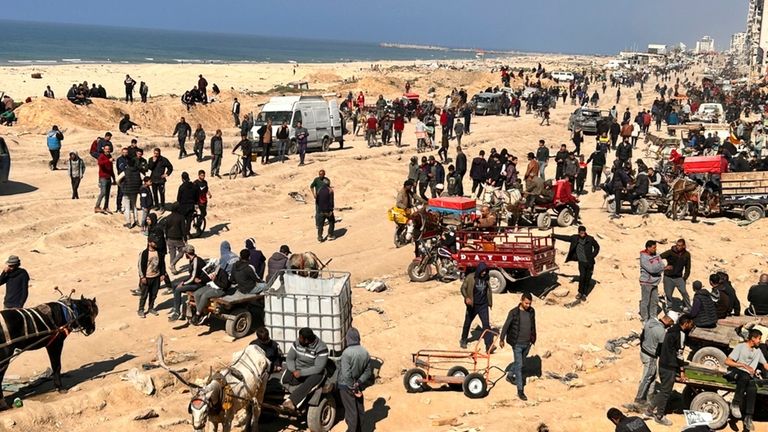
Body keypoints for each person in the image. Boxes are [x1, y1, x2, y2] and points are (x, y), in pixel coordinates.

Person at [649, 314, 694, 426]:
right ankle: (659, 416)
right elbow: (679, 354)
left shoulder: (670, 330)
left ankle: (649, 410)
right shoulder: (680, 334)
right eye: (691, 323)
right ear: (686, 323)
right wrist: (682, 371)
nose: (692, 325)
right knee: (665, 392)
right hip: (670, 366)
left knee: (664, 390)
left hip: (663, 363)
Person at [625, 315, 673, 412]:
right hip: (651, 356)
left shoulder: (650, 322)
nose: (671, 326)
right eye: (671, 324)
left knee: (653, 376)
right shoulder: (661, 331)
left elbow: (642, 336)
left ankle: (649, 398)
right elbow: (661, 348)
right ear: (669, 321)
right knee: (647, 377)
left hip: (644, 352)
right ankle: (638, 400)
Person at [724, 329, 766, 430]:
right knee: (745, 376)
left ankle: (748, 417)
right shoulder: (740, 347)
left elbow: (765, 364)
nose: (760, 341)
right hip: (737, 372)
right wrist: (742, 365)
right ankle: (735, 403)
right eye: (759, 339)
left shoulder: (758, 351)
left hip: (748, 377)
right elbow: (727, 361)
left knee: (753, 387)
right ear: (753, 338)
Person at [280, 328, 329, 411]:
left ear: (306, 340)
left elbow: (318, 368)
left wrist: (301, 373)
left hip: (313, 372)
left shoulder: (321, 347)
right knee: (285, 379)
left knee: (312, 381)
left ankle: (292, 401)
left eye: (301, 338)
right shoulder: (297, 343)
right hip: (297, 370)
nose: (298, 339)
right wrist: (293, 370)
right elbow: (290, 358)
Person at [499, 292, 536, 401]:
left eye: (529, 303)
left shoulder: (532, 311)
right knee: (519, 366)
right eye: (526, 303)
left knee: (520, 362)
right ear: (521, 300)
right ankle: (520, 390)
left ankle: (510, 375)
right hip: (517, 343)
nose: (528, 305)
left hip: (527, 343)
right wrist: (501, 338)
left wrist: (533, 338)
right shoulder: (514, 312)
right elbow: (506, 325)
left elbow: (533, 325)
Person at [552, 226, 600, 302]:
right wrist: (554, 235)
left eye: (583, 233)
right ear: (578, 232)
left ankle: (585, 294)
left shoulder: (590, 239)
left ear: (585, 232)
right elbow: (565, 238)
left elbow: (597, 247)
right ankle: (580, 293)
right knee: (582, 277)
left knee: (587, 278)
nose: (582, 234)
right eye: (581, 233)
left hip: (590, 262)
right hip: (581, 262)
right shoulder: (575, 238)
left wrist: (592, 256)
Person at [338, 328, 372, 432]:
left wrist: (352, 387)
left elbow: (346, 374)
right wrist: (358, 383)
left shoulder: (346, 353)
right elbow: (368, 372)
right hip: (357, 384)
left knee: (351, 412)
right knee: (359, 409)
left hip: (346, 386)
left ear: (348, 339)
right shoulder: (365, 352)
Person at [169, 245, 210, 322]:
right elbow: (191, 276)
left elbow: (193, 277)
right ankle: (176, 307)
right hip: (193, 282)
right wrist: (183, 282)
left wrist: (183, 283)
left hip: (199, 284)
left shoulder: (196, 261)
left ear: (187, 254)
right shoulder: (192, 260)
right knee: (174, 285)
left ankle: (177, 313)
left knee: (178, 289)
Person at [459, 263, 493, 351]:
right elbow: (463, 288)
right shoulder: (470, 277)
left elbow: (488, 290)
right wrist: (466, 297)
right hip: (472, 305)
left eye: (485, 271)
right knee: (467, 323)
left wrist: (489, 302)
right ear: (478, 270)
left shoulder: (486, 278)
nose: (484, 273)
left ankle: (489, 345)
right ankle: (463, 340)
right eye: (482, 271)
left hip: (483, 305)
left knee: (486, 324)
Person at [659, 239, 692, 310]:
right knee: (668, 295)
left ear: (684, 246)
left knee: (684, 292)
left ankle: (689, 308)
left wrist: (684, 278)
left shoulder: (687, 255)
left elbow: (688, 268)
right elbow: (658, 258)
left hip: (679, 278)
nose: (678, 247)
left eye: (680, 245)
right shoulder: (670, 252)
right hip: (668, 277)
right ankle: (669, 310)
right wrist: (663, 267)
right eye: (677, 245)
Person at [137, 237, 165, 318]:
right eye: (154, 242)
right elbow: (140, 266)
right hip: (147, 277)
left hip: (156, 277)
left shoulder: (159, 253)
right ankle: (141, 309)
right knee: (144, 295)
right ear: (149, 243)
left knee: (153, 294)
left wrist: (162, 274)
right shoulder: (144, 253)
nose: (156, 244)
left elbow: (162, 264)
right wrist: (142, 277)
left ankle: (151, 308)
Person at [639, 240, 665, 322]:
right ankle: (645, 318)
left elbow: (662, 264)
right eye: (653, 248)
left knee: (655, 300)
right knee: (645, 301)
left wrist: (660, 268)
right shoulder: (644, 257)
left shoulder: (656, 255)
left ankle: (653, 316)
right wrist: (660, 268)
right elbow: (651, 269)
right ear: (648, 248)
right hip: (647, 282)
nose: (655, 249)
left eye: (655, 247)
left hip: (655, 282)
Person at [163, 204, 187, 274]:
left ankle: (173, 269)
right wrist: (185, 238)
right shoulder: (181, 217)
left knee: (172, 254)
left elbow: (165, 229)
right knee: (182, 252)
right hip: (178, 238)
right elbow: (183, 229)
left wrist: (166, 238)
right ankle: (172, 264)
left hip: (169, 238)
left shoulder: (168, 217)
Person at [121, 157, 142, 229]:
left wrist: (121, 185)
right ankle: (136, 220)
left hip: (126, 190)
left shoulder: (125, 171)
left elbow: (118, 179)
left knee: (127, 207)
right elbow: (142, 178)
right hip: (135, 190)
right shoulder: (137, 171)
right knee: (134, 206)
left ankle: (128, 222)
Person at [94, 144, 116, 214]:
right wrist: (108, 161)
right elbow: (100, 163)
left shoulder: (110, 156)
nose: (108, 150)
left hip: (109, 177)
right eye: (106, 149)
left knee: (107, 193)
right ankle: (97, 206)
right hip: (103, 177)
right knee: (103, 192)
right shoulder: (101, 156)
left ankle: (106, 207)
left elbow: (111, 168)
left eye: (108, 149)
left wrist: (114, 178)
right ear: (104, 149)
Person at [177, 172, 199, 237]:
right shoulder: (193, 185)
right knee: (189, 220)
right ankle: (187, 233)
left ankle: (183, 233)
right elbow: (196, 196)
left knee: (182, 221)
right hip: (191, 205)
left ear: (182, 179)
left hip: (183, 206)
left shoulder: (181, 187)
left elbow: (178, 198)